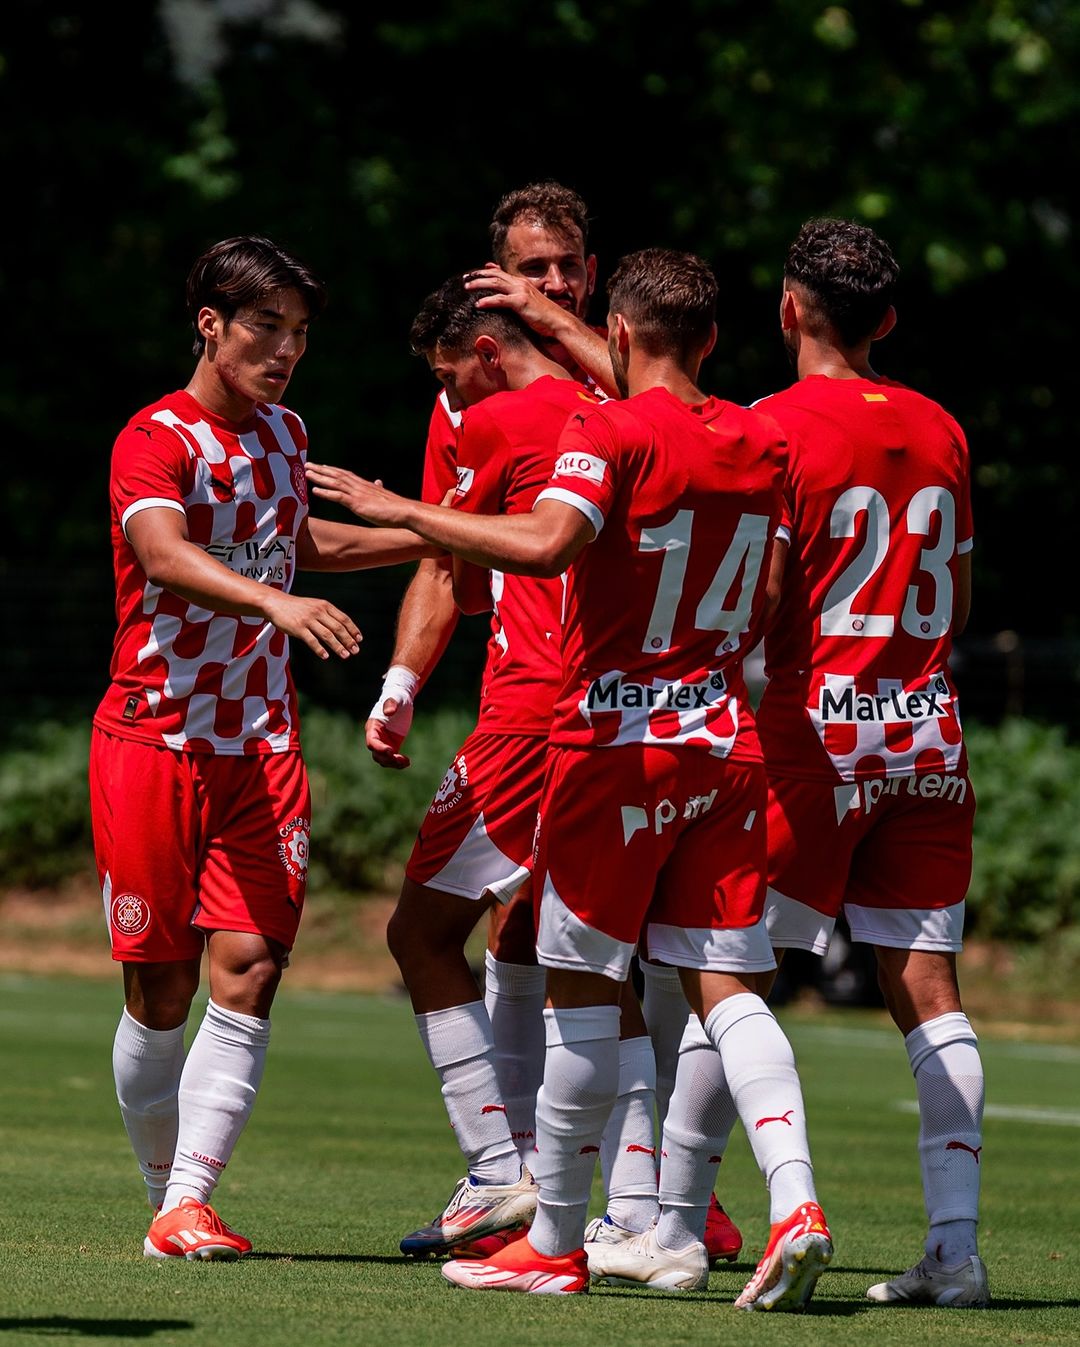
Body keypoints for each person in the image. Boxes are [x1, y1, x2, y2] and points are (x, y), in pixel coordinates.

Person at [307, 248, 833, 1310]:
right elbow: (777, 587)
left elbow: (546, 544)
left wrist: (399, 507)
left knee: (582, 991)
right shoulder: (761, 438)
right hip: (728, 747)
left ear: (622, 336)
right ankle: (784, 1205)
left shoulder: (602, 429)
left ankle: (551, 1236)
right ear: (716, 342)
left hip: (617, 743)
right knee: (726, 992)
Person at [90, 234, 431, 1260]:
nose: (284, 351)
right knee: (158, 988)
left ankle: (190, 1200)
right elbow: (164, 553)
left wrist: (435, 532)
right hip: (154, 739)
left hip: (262, 746)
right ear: (210, 324)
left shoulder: (286, 434)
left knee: (252, 964)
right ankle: (165, 1200)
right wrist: (275, 603)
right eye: (265, 327)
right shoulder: (153, 438)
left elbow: (300, 543)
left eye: (299, 334)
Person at [750, 217, 988, 1308]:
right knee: (929, 988)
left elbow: (755, 594)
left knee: (731, 972)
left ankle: (667, 1223)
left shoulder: (773, 425)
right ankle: (956, 1250)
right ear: (887, 321)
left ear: (790, 310)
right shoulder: (942, 428)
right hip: (928, 727)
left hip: (814, 730)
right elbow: (965, 598)